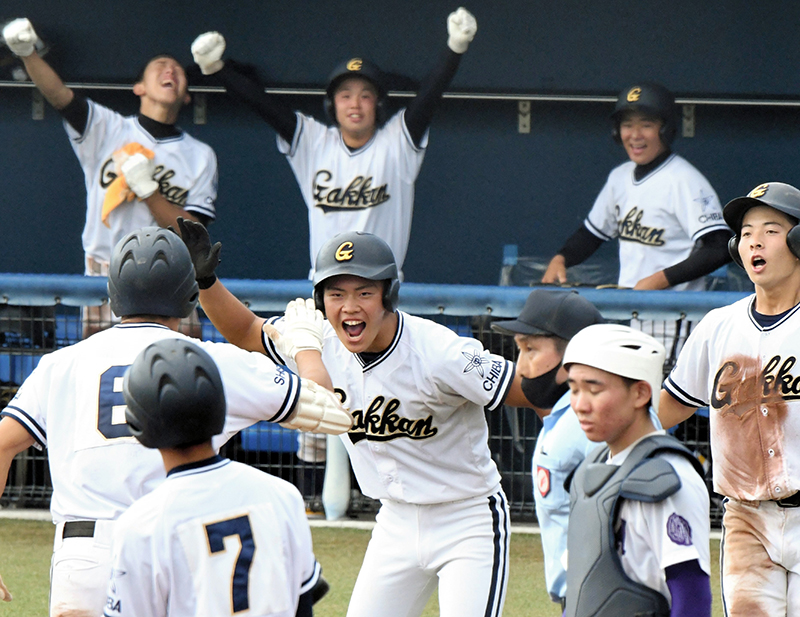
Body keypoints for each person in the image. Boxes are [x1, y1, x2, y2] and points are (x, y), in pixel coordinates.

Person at [177, 219, 535, 617]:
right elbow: (246, 330)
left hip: (467, 518)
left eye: (364, 292)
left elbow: (526, 391)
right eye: (336, 293)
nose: (349, 306)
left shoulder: (437, 351)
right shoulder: (314, 337)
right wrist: (205, 282)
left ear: (389, 295)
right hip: (394, 521)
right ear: (320, 300)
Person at [0, 227, 349, 616]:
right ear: (188, 297)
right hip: (179, 539)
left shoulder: (59, 364)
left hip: (82, 554)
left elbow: (1, 444)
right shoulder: (203, 361)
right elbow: (329, 411)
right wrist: (304, 346)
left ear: (114, 294)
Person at [188, 6, 477, 279]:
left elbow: (428, 98)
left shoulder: (396, 144)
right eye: (345, 95)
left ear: (378, 105)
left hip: (381, 286)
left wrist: (455, 49)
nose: (355, 104)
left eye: (365, 95)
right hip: (325, 285)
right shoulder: (315, 144)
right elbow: (265, 106)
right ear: (332, 105)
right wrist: (217, 69)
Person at [2, 18, 219, 336]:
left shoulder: (200, 155)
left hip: (171, 269)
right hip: (105, 269)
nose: (170, 71)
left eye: (178, 70)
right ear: (139, 87)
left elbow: (194, 234)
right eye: (160, 66)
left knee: (179, 369)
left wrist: (149, 192)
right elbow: (60, 96)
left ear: (187, 96)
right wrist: (27, 54)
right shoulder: (109, 128)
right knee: (99, 371)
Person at [103, 338, 326, 617]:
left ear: (138, 425)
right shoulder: (282, 494)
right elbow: (303, 605)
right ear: (220, 408)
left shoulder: (140, 525)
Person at [660, 181, 800, 616]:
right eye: (747, 231)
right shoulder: (718, 326)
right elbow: (666, 410)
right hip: (745, 519)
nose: (754, 239)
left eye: (772, 229)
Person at [563, 324, 711, 617]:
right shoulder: (592, 468)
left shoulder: (665, 479)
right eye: (573, 389)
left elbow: (692, 597)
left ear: (641, 393)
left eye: (594, 390)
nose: (579, 404)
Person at [542, 81, 730, 292]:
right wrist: (562, 258)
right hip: (634, 307)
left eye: (646, 124)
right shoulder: (619, 177)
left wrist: (661, 279)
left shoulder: (685, 180)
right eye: (627, 124)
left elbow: (719, 248)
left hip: (679, 315)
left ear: (666, 129)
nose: (635, 135)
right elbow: (591, 234)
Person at [490, 289, 604, 611]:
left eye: (531, 350)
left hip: (607, 597)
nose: (521, 367)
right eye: (519, 350)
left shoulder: (594, 422)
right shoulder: (564, 417)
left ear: (573, 359)